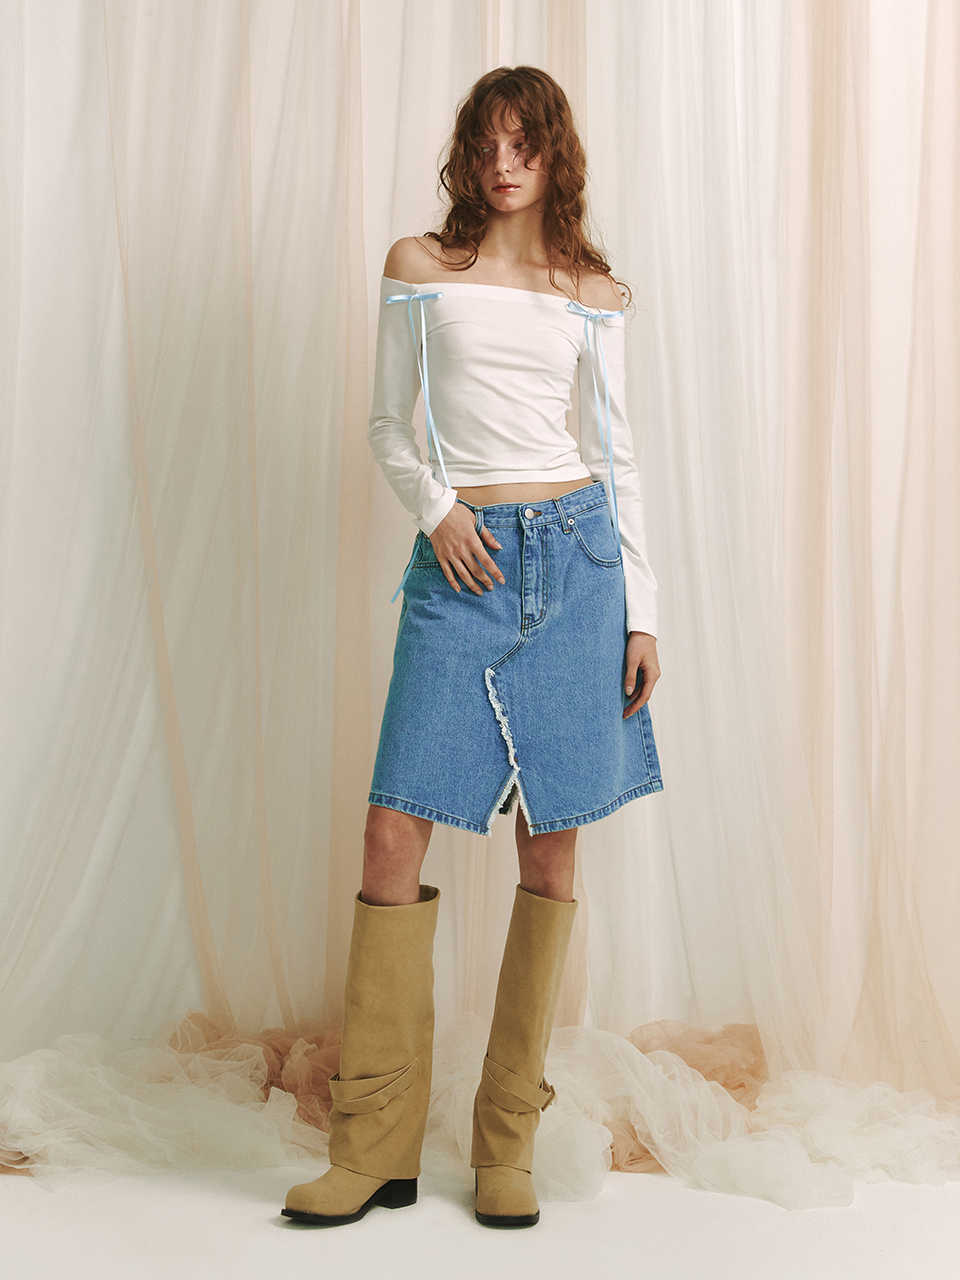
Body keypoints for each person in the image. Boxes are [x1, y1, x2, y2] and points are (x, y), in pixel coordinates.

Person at [283, 65, 662, 1230]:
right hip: (463, 567)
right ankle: (372, 1146)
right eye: (487, 144)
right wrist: (438, 510)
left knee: (552, 849)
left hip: (578, 566)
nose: (504, 165)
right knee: (393, 826)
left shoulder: (589, 291)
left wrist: (643, 607)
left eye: (525, 145)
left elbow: (617, 452)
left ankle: (508, 1143)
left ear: (555, 157)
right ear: (466, 154)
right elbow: (386, 423)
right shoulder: (418, 268)